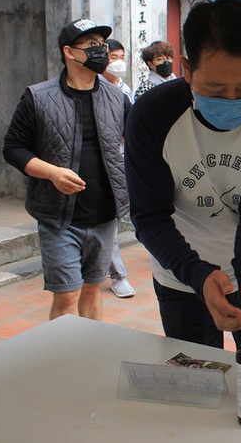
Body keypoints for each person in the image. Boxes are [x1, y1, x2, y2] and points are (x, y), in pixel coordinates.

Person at [125, 0, 241, 360]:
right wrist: (199, 275)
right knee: (197, 378)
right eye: (215, 90)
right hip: (180, 273)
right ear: (187, 69)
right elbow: (149, 216)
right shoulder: (153, 116)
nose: (231, 100)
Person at [3, 18, 130, 320]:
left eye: (102, 44)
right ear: (69, 52)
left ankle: (90, 355)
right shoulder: (38, 97)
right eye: (91, 46)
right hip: (59, 216)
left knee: (92, 289)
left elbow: (139, 144)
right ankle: (62, 357)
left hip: (104, 215)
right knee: (67, 294)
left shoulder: (117, 98)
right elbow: (13, 148)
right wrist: (52, 173)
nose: (100, 51)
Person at [100, 38, 136, 298]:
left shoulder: (123, 92)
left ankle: (113, 273)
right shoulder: (92, 91)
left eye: (121, 55)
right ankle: (114, 274)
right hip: (97, 166)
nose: (118, 61)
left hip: (121, 164)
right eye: (113, 56)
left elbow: (131, 130)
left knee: (110, 222)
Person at [101, 38, 134, 103]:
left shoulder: (125, 89)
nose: (119, 62)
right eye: (114, 58)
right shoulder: (96, 86)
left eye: (122, 58)